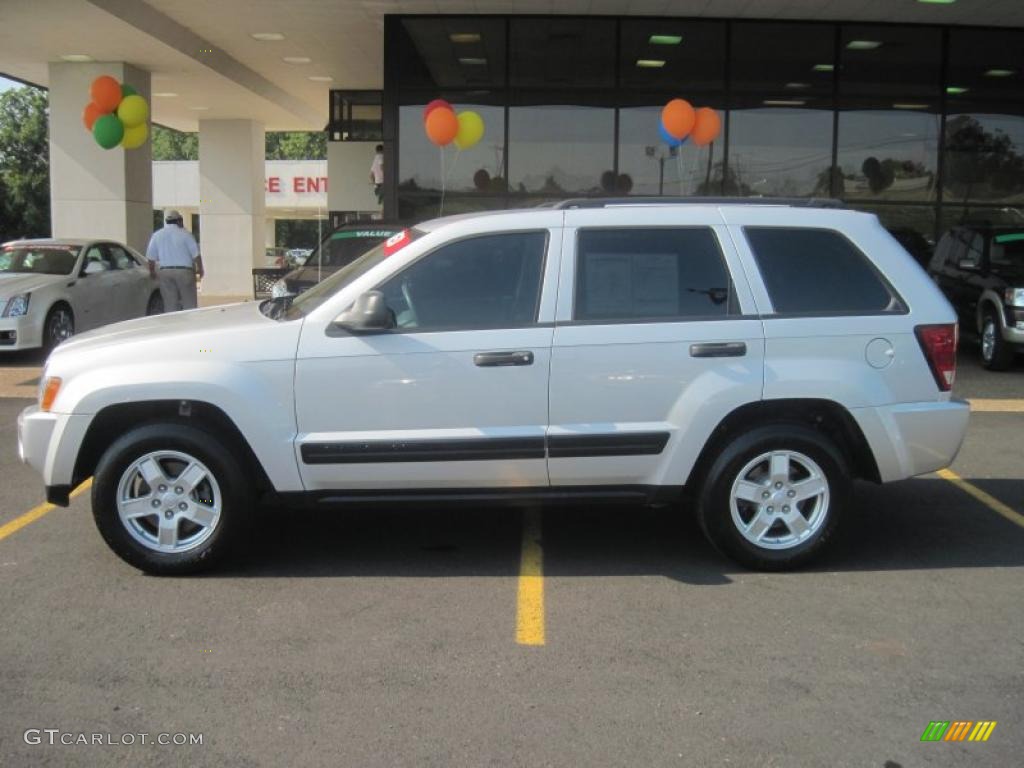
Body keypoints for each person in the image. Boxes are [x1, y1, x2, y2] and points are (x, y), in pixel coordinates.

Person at [146, 209, 204, 312]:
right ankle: (190, 325)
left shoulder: (157, 235)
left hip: (165, 272)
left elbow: (151, 258)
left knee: (170, 305)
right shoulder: (186, 234)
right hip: (184, 272)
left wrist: (152, 272)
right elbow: (196, 255)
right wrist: (200, 269)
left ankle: (173, 326)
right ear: (179, 221)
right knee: (189, 304)